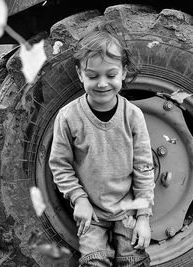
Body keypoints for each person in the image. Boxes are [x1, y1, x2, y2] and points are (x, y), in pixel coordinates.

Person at [49, 23, 155, 267]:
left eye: (111, 75)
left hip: (127, 210)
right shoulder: (68, 117)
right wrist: (79, 199)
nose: (102, 84)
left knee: (134, 261)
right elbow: (60, 164)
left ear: (124, 72)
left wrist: (143, 217)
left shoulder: (133, 116)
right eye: (93, 76)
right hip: (91, 213)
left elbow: (144, 168)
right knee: (94, 262)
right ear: (79, 74)